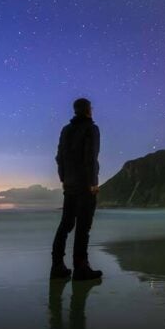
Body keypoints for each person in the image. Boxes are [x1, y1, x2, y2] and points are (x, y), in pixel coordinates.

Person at [51, 97, 103, 280]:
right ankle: (81, 268)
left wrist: (63, 179)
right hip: (84, 184)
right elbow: (90, 157)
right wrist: (93, 183)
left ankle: (57, 266)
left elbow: (59, 157)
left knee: (65, 224)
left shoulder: (66, 130)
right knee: (83, 227)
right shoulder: (91, 129)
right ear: (89, 110)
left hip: (70, 184)